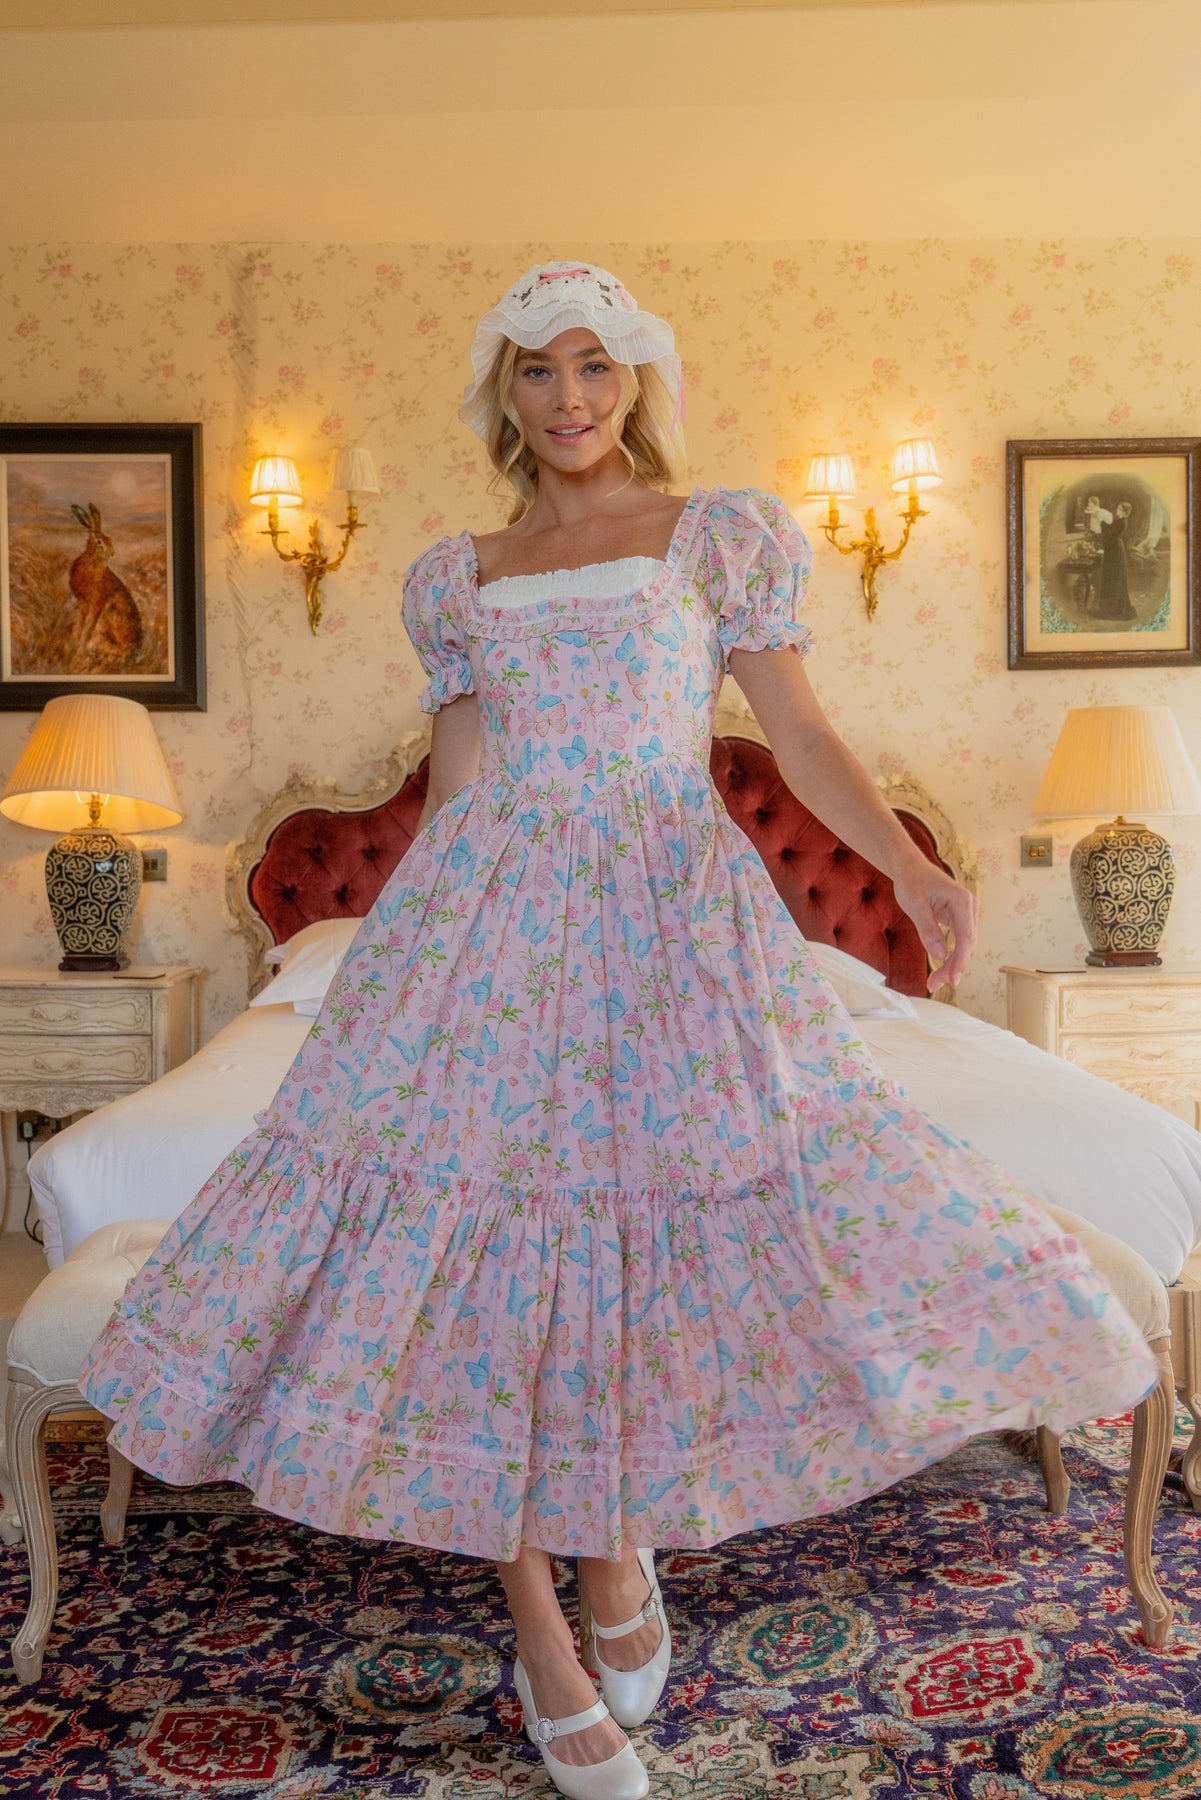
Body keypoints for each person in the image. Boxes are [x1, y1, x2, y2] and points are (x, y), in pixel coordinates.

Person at [80, 261, 1158, 1800]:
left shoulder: (720, 535)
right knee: (482, 1257)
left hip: (669, 919)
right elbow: (461, 785)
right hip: (486, 928)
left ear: (636, 378)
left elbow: (797, 736)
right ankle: (543, 1632)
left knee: (654, 1218)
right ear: (502, 394)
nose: (567, 397)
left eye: (592, 365)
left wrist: (907, 870)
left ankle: (615, 1547)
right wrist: (414, 968)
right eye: (536, 370)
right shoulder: (456, 575)